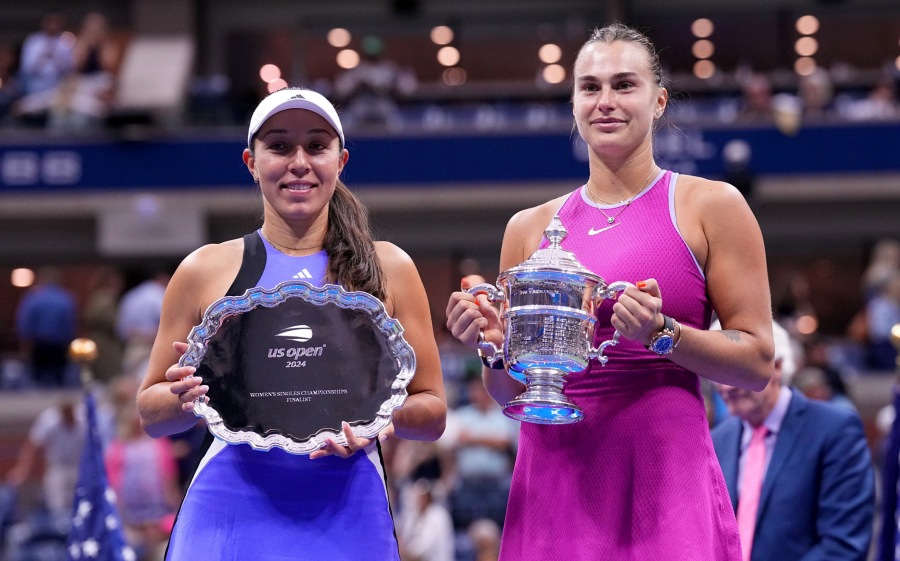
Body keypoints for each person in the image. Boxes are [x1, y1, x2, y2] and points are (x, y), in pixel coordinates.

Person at [445, 22, 773, 560]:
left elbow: (757, 361)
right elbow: (510, 394)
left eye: (625, 85)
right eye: (590, 87)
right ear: (573, 104)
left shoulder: (711, 206)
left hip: (665, 482)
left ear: (659, 100)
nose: (606, 102)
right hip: (556, 482)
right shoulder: (528, 228)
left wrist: (663, 333)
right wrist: (491, 346)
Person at [136, 87, 446, 560]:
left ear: (340, 162)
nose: (298, 161)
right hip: (227, 517)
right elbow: (151, 414)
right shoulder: (204, 269)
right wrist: (185, 399)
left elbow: (432, 414)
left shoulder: (389, 269)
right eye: (279, 146)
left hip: (349, 515)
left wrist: (376, 417)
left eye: (316, 146)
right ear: (251, 162)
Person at [711, 321, 874, 561]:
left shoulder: (834, 429)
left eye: (734, 369)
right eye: (715, 371)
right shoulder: (717, 440)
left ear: (776, 366)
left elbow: (844, 545)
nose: (725, 386)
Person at [15, 266, 77, 387]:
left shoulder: (34, 297)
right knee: (59, 380)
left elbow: (25, 322)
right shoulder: (66, 298)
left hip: (39, 344)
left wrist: (24, 341)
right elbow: (70, 324)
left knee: (37, 379)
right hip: (60, 345)